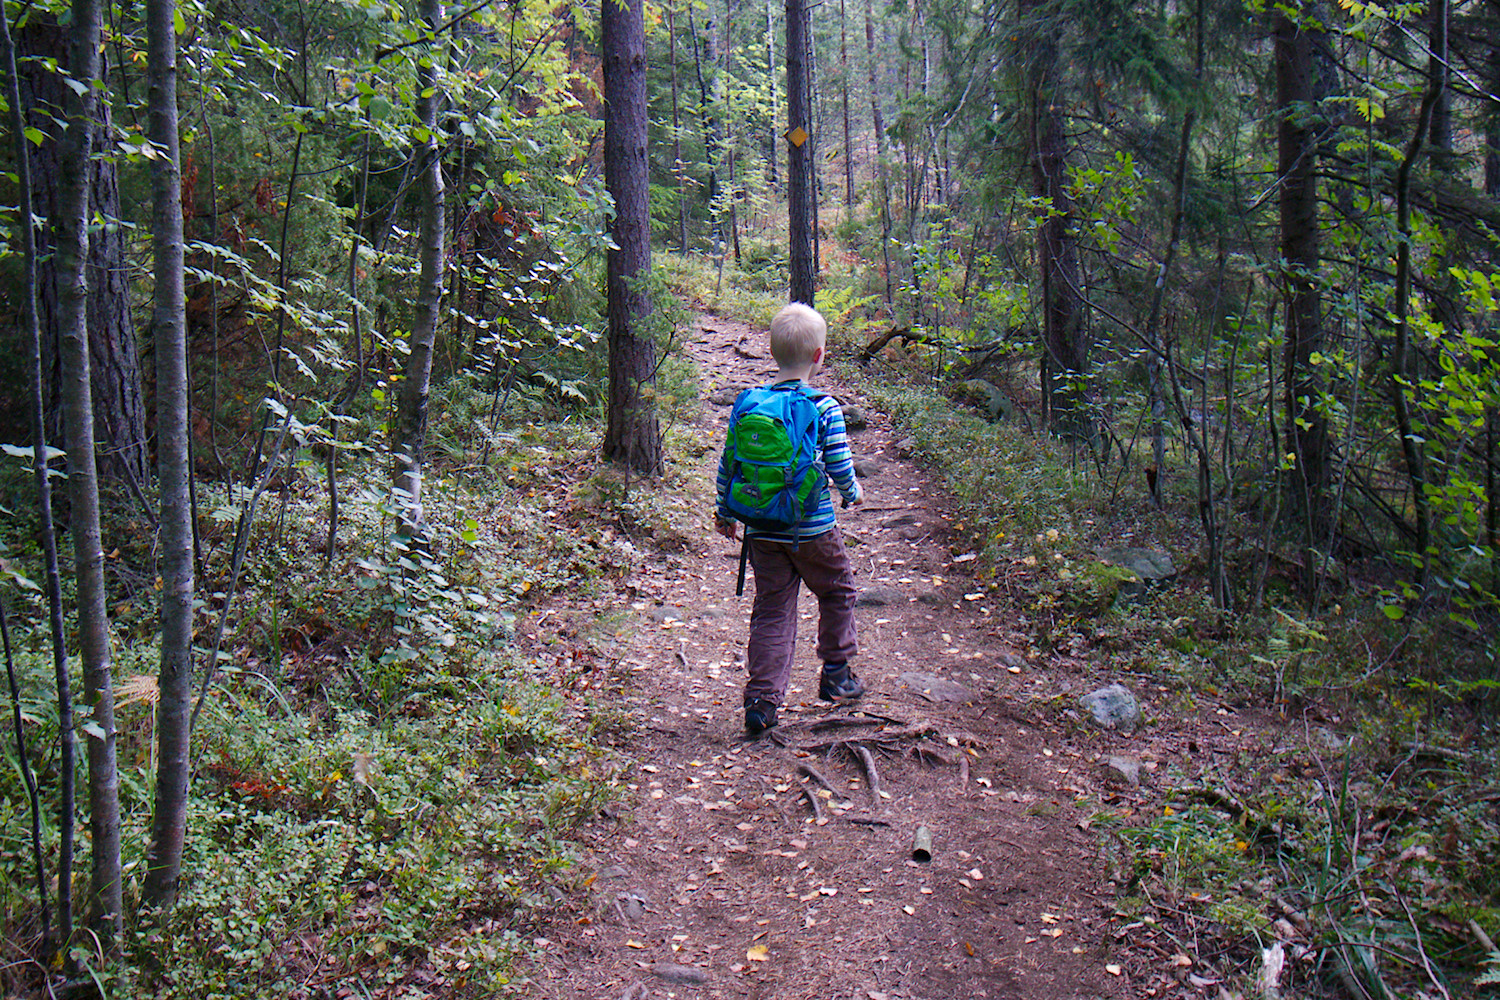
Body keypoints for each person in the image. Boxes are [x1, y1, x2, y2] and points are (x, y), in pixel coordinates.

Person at [715, 303, 865, 736]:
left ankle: (761, 702)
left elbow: (730, 463)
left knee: (772, 609)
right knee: (837, 592)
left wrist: (725, 511)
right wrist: (853, 494)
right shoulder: (823, 405)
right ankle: (836, 673)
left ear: (772, 351)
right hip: (813, 527)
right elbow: (838, 462)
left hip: (762, 529)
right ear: (819, 355)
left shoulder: (747, 403)